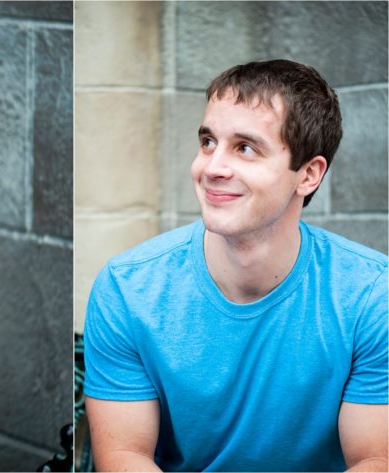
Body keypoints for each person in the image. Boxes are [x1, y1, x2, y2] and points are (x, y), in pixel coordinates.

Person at [83, 59, 388, 472]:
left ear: (309, 175)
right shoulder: (127, 290)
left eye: (245, 148)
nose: (212, 168)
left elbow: (374, 460)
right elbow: (124, 457)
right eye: (208, 142)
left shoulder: (371, 297)